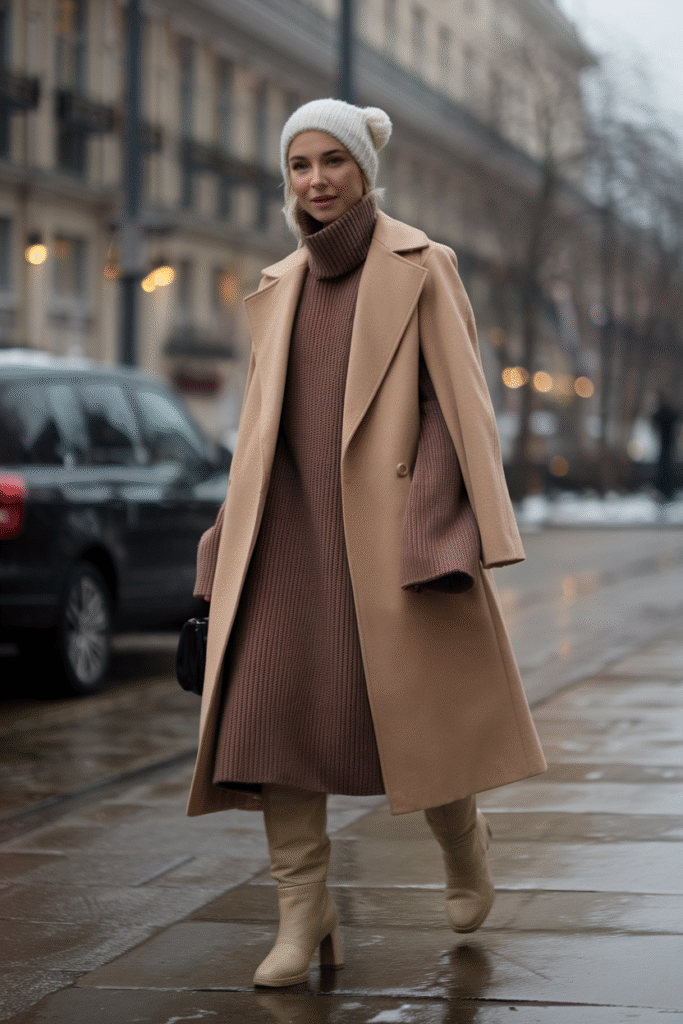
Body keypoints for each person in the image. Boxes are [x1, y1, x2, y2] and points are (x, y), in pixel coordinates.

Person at [186, 98, 546, 988]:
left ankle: (463, 846)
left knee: (417, 718)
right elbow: (255, 436)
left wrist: (436, 528)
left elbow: (456, 408)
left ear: (362, 168)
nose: (316, 180)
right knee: (270, 718)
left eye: (332, 161)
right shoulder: (278, 284)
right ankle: (302, 914)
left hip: (388, 533)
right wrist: (218, 550)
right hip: (283, 537)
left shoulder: (422, 265)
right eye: (300, 164)